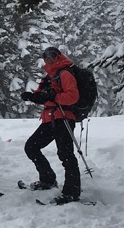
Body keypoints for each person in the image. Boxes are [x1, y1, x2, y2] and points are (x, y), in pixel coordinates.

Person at [20, 45, 82, 204]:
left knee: (66, 155)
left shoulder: (65, 73)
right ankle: (48, 179)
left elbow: (72, 97)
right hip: (51, 118)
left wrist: (53, 97)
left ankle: (72, 192)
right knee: (31, 147)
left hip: (64, 117)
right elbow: (45, 97)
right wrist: (34, 97)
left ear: (58, 56)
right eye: (45, 56)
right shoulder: (49, 77)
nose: (48, 58)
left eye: (51, 55)